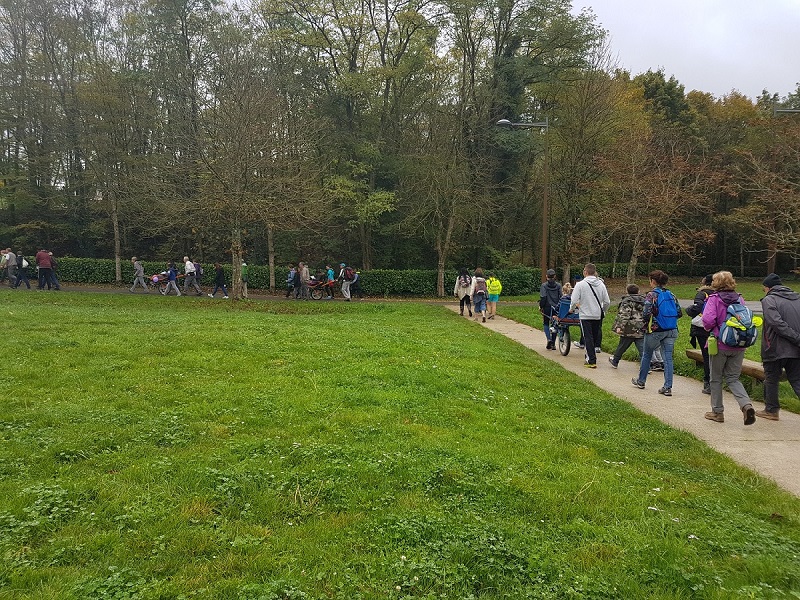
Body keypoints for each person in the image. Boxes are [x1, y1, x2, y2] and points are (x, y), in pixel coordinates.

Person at [701, 271, 755, 424]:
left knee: (716, 378)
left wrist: (711, 328)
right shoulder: (740, 299)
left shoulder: (714, 299)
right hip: (739, 344)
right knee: (733, 378)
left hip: (719, 344)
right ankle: (746, 405)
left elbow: (708, 320)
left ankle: (717, 412)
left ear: (715, 283)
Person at [758, 273, 800, 421]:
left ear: (768, 288)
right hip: (796, 348)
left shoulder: (769, 300)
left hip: (775, 348)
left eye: (764, 289)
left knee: (771, 378)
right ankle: (770, 409)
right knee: (796, 379)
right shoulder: (797, 298)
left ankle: (771, 410)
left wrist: (795, 337)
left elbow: (775, 323)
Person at [631, 270, 682, 394]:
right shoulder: (671, 294)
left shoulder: (651, 295)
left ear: (653, 281)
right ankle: (667, 387)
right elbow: (679, 312)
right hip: (671, 329)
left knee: (647, 354)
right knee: (668, 358)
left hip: (655, 329)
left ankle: (641, 381)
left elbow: (646, 313)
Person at [569, 263, 610, 368]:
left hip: (585, 315)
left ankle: (591, 360)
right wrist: (603, 311)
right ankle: (592, 356)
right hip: (597, 315)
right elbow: (607, 302)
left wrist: (571, 309)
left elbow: (574, 300)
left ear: (585, 272)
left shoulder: (580, 285)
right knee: (594, 336)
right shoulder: (601, 284)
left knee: (588, 337)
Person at [685, 274, 714, 394]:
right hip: (717, 327)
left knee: (707, 356)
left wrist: (688, 310)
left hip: (703, 328)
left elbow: (697, 308)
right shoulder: (720, 294)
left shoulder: (702, 293)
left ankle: (708, 382)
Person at [608, 284, 646, 368]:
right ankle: (646, 366)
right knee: (642, 349)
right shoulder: (645, 301)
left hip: (629, 328)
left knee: (622, 346)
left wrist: (620, 326)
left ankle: (615, 360)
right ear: (638, 291)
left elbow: (624, 315)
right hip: (641, 327)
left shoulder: (627, 301)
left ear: (627, 291)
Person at [540, 269, 561, 350]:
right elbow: (561, 296)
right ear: (554, 276)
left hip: (547, 307)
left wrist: (541, 306)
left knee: (546, 323)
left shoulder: (544, 286)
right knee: (555, 324)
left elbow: (543, 297)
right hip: (556, 307)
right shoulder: (558, 286)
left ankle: (549, 339)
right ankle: (553, 343)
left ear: (546, 276)